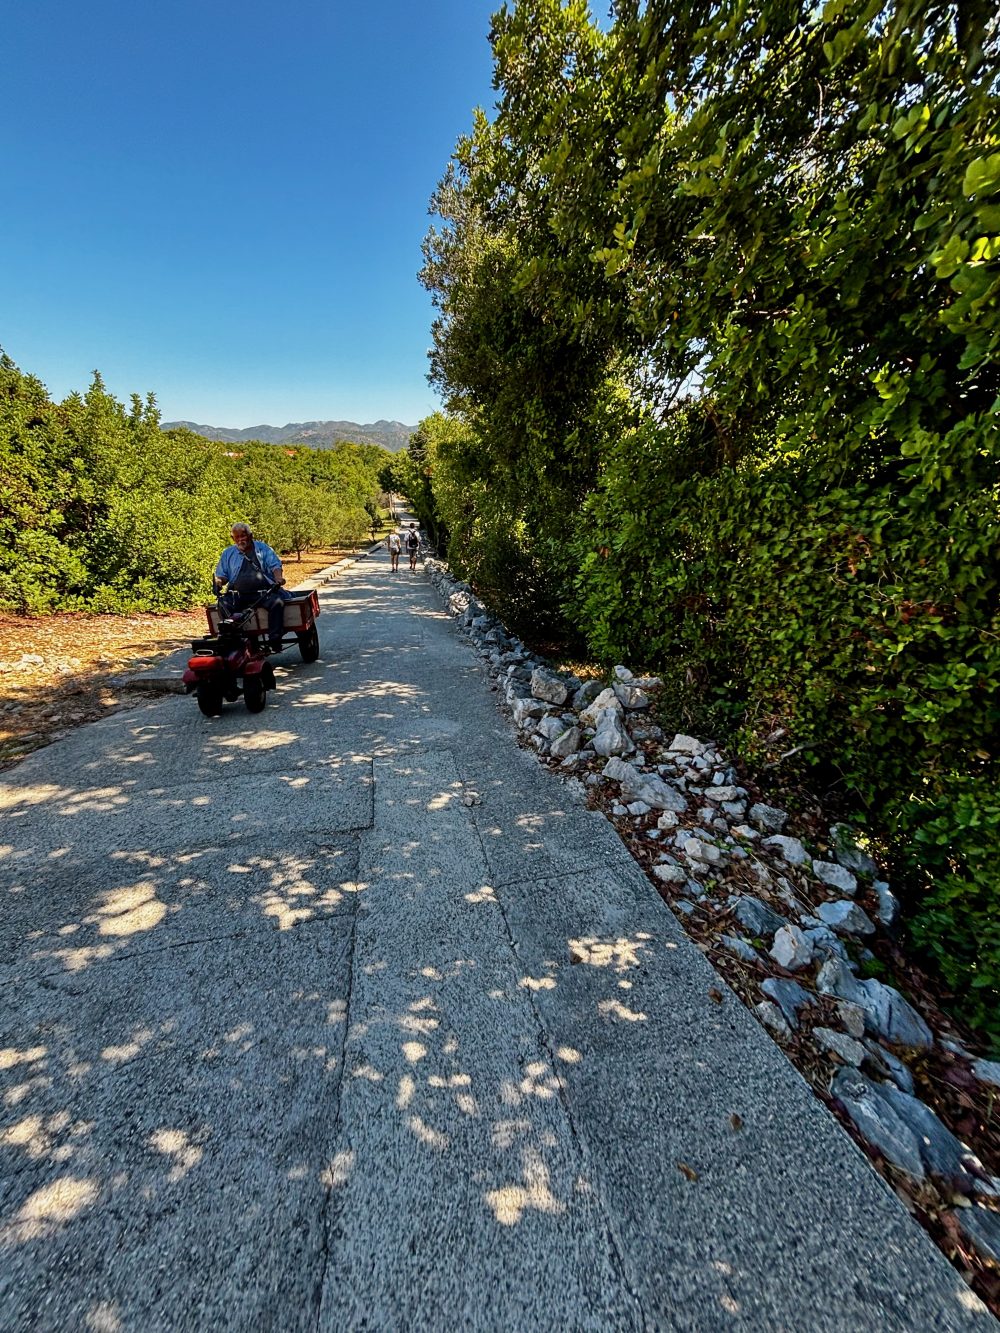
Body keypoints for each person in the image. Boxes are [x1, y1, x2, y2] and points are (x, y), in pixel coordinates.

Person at [213, 523, 291, 652]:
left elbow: (275, 565)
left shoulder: (263, 549)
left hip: (263, 593)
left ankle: (275, 639)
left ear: (250, 536)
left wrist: (278, 578)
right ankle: (238, 640)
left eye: (243, 536)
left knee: (277, 602)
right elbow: (222, 575)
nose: (240, 540)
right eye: (236, 537)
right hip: (238, 595)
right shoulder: (228, 553)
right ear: (233, 539)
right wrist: (218, 582)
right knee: (223, 604)